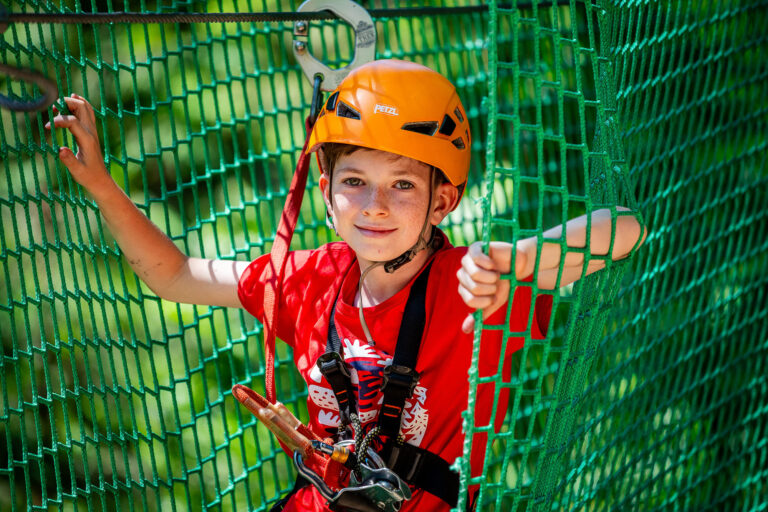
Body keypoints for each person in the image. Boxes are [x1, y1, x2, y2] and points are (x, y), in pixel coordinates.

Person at [47, 59, 646, 511]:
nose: (375, 206)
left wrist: (513, 260)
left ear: (443, 200)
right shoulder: (312, 279)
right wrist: (102, 186)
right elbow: (176, 277)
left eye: (403, 186)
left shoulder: (472, 286)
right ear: (328, 191)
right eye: (355, 180)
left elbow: (624, 230)